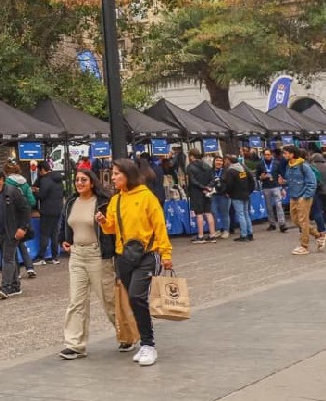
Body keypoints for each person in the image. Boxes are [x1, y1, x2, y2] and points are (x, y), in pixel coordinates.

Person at [95, 158, 172, 367]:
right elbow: (111, 228)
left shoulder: (147, 197)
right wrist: (103, 222)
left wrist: (166, 254)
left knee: (137, 296)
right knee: (133, 299)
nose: (112, 178)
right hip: (124, 257)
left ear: (128, 175)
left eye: (116, 174)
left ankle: (148, 344)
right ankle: (144, 343)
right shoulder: (116, 199)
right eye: (112, 174)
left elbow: (159, 226)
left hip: (147, 254)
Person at [58, 169, 117, 360]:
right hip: (77, 255)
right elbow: (65, 223)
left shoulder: (103, 202)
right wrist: (64, 239)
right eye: (77, 180)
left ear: (92, 182)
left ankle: (126, 334)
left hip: (97, 255)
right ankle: (75, 345)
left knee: (109, 300)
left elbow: (112, 228)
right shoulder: (71, 202)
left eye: (83, 180)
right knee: (76, 302)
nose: (79, 183)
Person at [0, 169, 32, 299]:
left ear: (1, 179)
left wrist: (23, 228)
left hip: (11, 232)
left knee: (7, 259)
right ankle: (15, 286)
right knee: (9, 258)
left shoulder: (12, 192)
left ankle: (5, 287)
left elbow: (25, 209)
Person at [282, 146, 326, 255]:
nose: (284, 155)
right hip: (293, 196)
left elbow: (312, 182)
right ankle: (319, 235)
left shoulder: (304, 166)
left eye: (286, 153)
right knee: (295, 220)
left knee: (303, 220)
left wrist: (306, 196)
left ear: (292, 154)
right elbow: (291, 180)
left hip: (303, 197)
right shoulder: (289, 166)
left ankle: (304, 246)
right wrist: (284, 182)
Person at [5, 162, 38, 278]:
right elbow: (32, 201)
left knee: (13, 243)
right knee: (21, 242)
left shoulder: (7, 183)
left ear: (6, 172)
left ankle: (16, 272)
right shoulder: (25, 183)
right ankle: (30, 267)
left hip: (12, 216)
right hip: (25, 216)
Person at [34, 164, 65, 264]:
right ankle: (55, 257)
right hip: (58, 209)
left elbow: (41, 195)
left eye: (39, 171)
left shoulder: (45, 180)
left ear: (42, 170)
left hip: (47, 211)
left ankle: (41, 257)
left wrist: (35, 192)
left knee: (44, 234)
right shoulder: (58, 178)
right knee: (54, 234)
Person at [185, 149, 216, 244]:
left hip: (196, 192)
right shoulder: (207, 165)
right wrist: (208, 187)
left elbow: (192, 181)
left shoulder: (190, 167)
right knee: (208, 212)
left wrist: (202, 187)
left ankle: (201, 236)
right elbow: (213, 179)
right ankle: (212, 235)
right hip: (207, 192)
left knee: (199, 214)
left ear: (191, 156)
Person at [256, 148, 289, 232]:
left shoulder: (277, 163)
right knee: (269, 207)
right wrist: (261, 177)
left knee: (279, 205)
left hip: (276, 186)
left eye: (268, 154)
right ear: (263, 155)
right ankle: (272, 224)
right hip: (266, 187)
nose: (267, 156)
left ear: (271, 155)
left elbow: (282, 175)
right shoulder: (260, 164)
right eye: (265, 155)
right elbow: (257, 176)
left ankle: (282, 224)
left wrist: (283, 188)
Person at [225, 156, 255, 242]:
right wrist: (249, 191)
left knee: (241, 215)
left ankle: (244, 235)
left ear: (229, 161)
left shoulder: (231, 171)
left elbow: (229, 184)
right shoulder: (243, 168)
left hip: (236, 195)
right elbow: (251, 180)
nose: (225, 162)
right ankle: (250, 233)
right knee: (246, 214)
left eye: (226, 160)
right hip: (245, 194)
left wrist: (228, 192)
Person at [209, 156, 231, 239]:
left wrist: (228, 192)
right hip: (213, 195)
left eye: (221, 161)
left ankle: (226, 230)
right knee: (214, 212)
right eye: (217, 160)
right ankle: (217, 230)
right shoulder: (210, 171)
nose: (218, 162)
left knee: (225, 213)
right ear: (214, 162)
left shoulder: (227, 171)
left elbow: (230, 182)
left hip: (224, 195)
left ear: (223, 163)